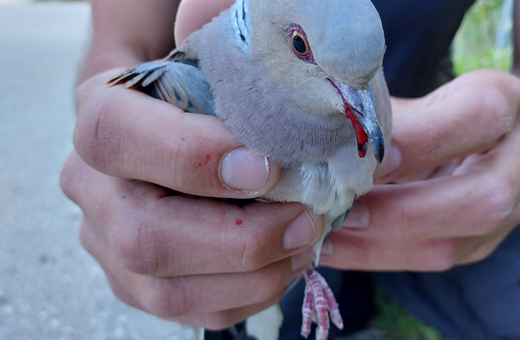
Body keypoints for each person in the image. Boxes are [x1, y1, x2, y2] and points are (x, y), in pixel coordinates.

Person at [60, 0, 520, 339]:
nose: (359, 106)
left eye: (363, 82)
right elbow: (116, 49)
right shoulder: (202, 83)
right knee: (265, 312)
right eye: (301, 46)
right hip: (254, 243)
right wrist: (112, 129)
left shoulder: (356, 92)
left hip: (429, 187)